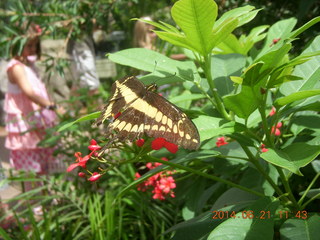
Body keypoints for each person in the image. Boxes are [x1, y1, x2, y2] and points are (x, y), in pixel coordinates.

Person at [4, 23, 58, 182]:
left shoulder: (28, 65)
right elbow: (29, 93)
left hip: (35, 121)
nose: (33, 49)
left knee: (42, 160)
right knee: (31, 167)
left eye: (35, 44)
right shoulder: (16, 68)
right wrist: (50, 105)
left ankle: (45, 198)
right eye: (29, 45)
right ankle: (35, 203)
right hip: (25, 123)